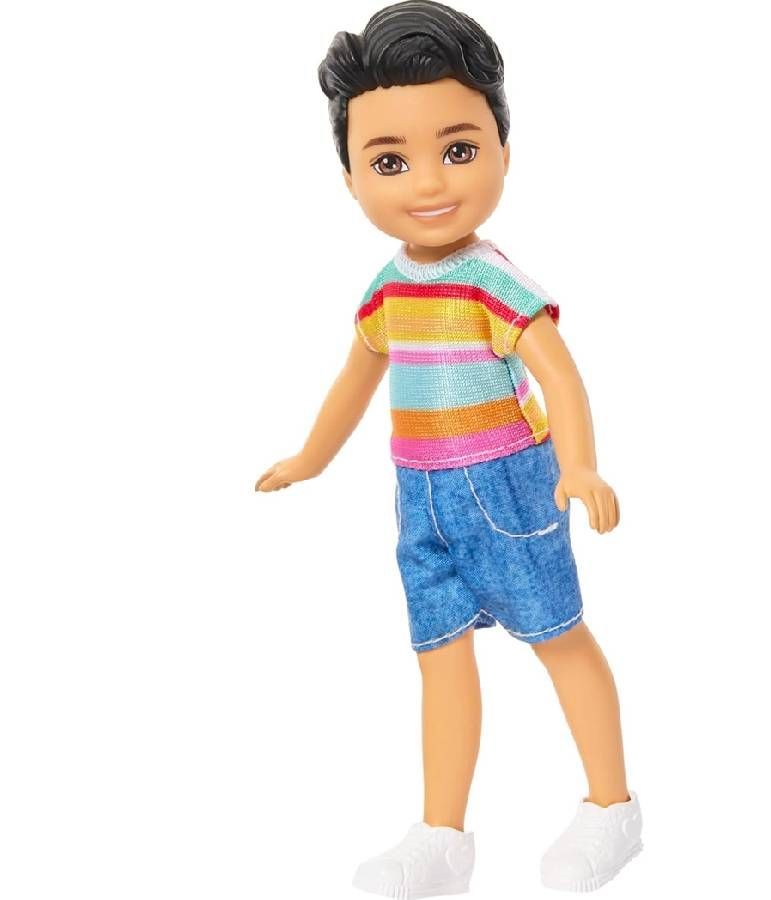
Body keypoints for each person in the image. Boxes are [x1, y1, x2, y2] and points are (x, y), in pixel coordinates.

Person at [255, 1, 643, 895]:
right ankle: (442, 833)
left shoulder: (492, 282)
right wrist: (311, 457)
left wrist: (578, 463)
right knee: (439, 655)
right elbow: (356, 377)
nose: (428, 183)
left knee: (558, 635)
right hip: (419, 494)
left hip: (508, 485)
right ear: (350, 177)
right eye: (390, 161)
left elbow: (561, 376)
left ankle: (612, 806)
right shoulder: (387, 290)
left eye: (459, 150)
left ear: (504, 148)